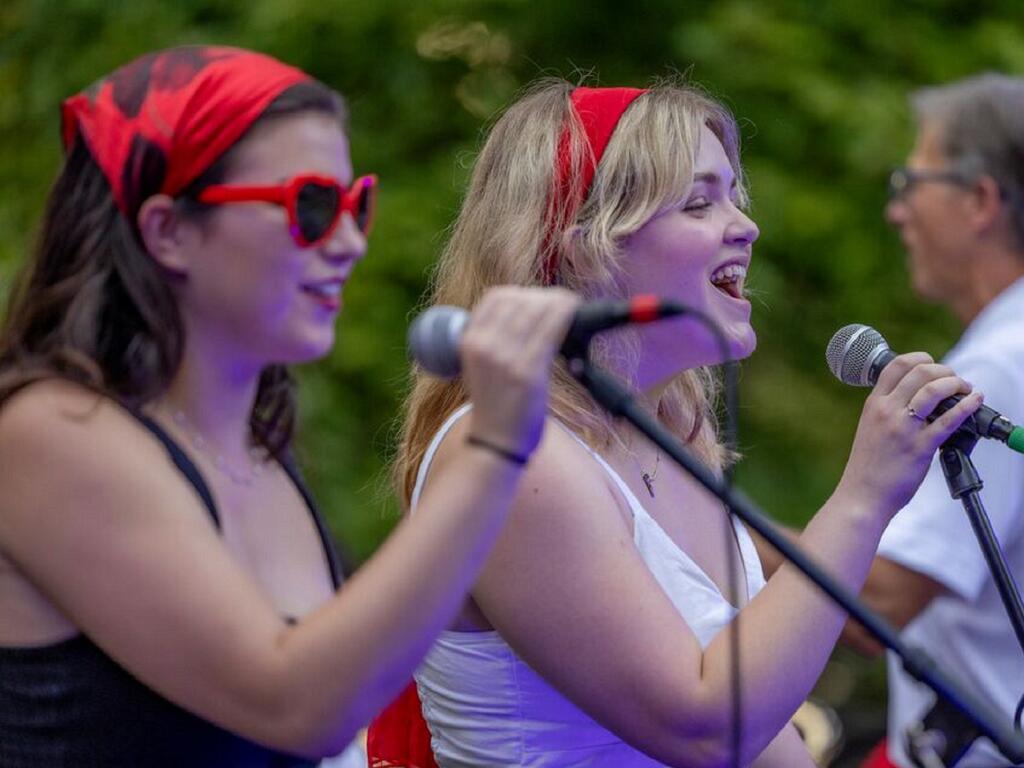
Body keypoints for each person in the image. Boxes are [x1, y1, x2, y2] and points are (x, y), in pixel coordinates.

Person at [368, 80, 984, 767]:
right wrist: (865, 496)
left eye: (733, 197)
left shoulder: (671, 433)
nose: (745, 227)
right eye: (698, 202)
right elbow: (707, 727)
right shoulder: (521, 455)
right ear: (581, 248)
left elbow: (769, 737)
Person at [0, 46, 580, 767]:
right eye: (309, 205)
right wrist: (491, 453)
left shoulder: (255, 452)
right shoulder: (50, 434)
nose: (349, 242)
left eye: (354, 203)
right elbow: (297, 705)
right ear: (167, 231)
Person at [848, 74, 1024, 768]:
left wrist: (716, 523)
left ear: (979, 200)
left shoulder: (1004, 363)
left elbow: (882, 598)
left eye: (910, 181)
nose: (898, 211)